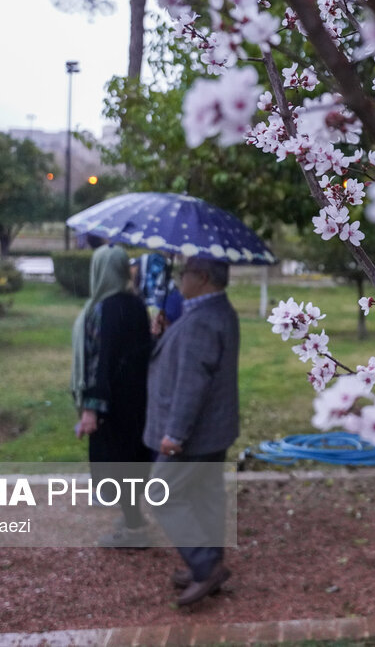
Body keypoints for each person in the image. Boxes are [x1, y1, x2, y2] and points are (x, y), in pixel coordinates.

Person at [144, 256, 239, 606]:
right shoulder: (216, 311)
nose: (179, 280)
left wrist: (175, 435)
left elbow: (191, 383)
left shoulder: (202, 319)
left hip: (195, 433)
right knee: (206, 495)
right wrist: (168, 334)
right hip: (215, 428)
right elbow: (193, 359)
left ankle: (204, 566)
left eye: (183, 274)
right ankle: (210, 562)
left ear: (201, 277)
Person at [70, 244, 153, 547]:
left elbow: (101, 360)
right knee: (131, 463)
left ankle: (135, 531)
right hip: (137, 400)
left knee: (115, 465)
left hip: (110, 402)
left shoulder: (103, 308)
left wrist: (91, 408)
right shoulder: (136, 304)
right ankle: (135, 519)